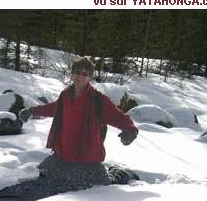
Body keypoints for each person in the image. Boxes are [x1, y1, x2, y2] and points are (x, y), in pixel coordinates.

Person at [19, 57, 138, 185]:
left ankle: (123, 174)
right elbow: (52, 108)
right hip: (62, 156)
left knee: (104, 187)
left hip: (88, 160)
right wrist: (31, 111)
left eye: (84, 74)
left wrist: (131, 130)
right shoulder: (65, 96)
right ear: (72, 73)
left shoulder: (98, 100)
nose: (79, 76)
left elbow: (118, 116)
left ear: (89, 77)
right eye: (77, 72)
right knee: (39, 175)